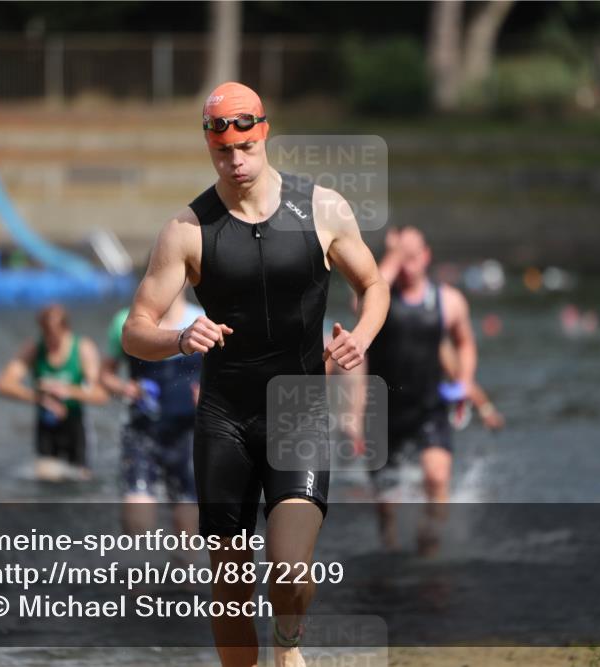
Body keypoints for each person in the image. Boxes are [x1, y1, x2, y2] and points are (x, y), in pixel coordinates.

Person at [122, 81, 389, 667]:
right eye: (223, 152)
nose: (236, 162)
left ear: (264, 132)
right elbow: (133, 329)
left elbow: (373, 285)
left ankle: (288, 649)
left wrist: (361, 337)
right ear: (209, 147)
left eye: (245, 147)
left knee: (290, 574)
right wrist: (177, 337)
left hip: (297, 411)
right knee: (231, 589)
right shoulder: (188, 230)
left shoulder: (321, 208)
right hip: (223, 419)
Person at [364, 226, 489, 554]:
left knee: (436, 476)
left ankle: (429, 545)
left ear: (426, 256)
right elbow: (361, 298)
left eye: (413, 255)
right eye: (402, 258)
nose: (408, 263)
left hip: (428, 406)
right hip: (384, 410)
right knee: (387, 506)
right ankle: (390, 550)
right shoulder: (380, 299)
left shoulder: (448, 300)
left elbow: (465, 344)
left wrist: (464, 382)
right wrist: (393, 252)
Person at [102, 288, 203, 539]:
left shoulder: (202, 320)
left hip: (188, 434)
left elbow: (227, 374)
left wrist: (210, 393)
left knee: (187, 530)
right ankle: (139, 574)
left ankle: (184, 574)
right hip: (142, 432)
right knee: (137, 524)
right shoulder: (126, 323)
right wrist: (125, 387)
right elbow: (104, 375)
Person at [0, 303, 107, 481]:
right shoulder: (34, 348)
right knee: (46, 480)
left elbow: (101, 394)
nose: (51, 343)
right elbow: (3, 384)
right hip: (46, 425)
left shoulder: (83, 348)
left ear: (66, 329)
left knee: (81, 480)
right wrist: (39, 398)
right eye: (46, 335)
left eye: (55, 336)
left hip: (74, 424)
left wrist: (67, 391)